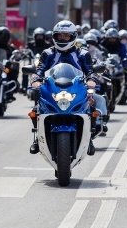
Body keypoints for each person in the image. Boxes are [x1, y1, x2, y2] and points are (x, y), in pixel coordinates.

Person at [29, 21, 102, 154]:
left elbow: (91, 71)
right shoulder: (48, 53)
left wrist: (92, 79)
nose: (62, 38)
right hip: (53, 90)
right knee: (36, 109)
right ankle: (37, 139)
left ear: (73, 36)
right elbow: (39, 70)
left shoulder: (83, 54)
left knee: (92, 107)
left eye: (66, 36)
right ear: (54, 37)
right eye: (60, 36)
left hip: (76, 89)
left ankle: (89, 138)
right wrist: (35, 79)